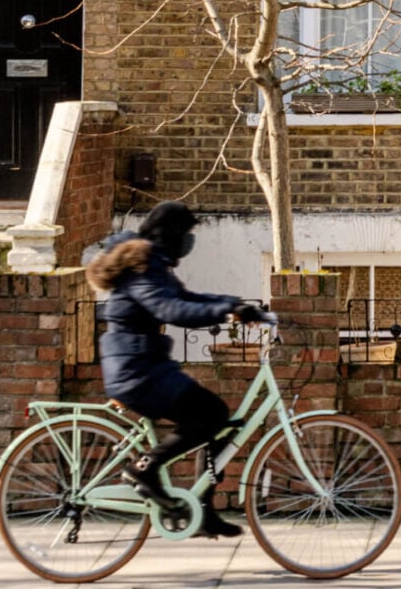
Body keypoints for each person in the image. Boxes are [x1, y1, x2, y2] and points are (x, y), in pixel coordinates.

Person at [85, 200, 268, 540]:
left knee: (217, 420)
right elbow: (172, 309)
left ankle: (203, 509)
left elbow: (191, 298)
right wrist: (226, 315)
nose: (189, 240)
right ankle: (146, 469)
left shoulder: (152, 263)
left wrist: (236, 305)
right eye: (187, 233)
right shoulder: (141, 267)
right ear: (172, 234)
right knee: (211, 412)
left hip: (145, 367)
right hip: (137, 372)